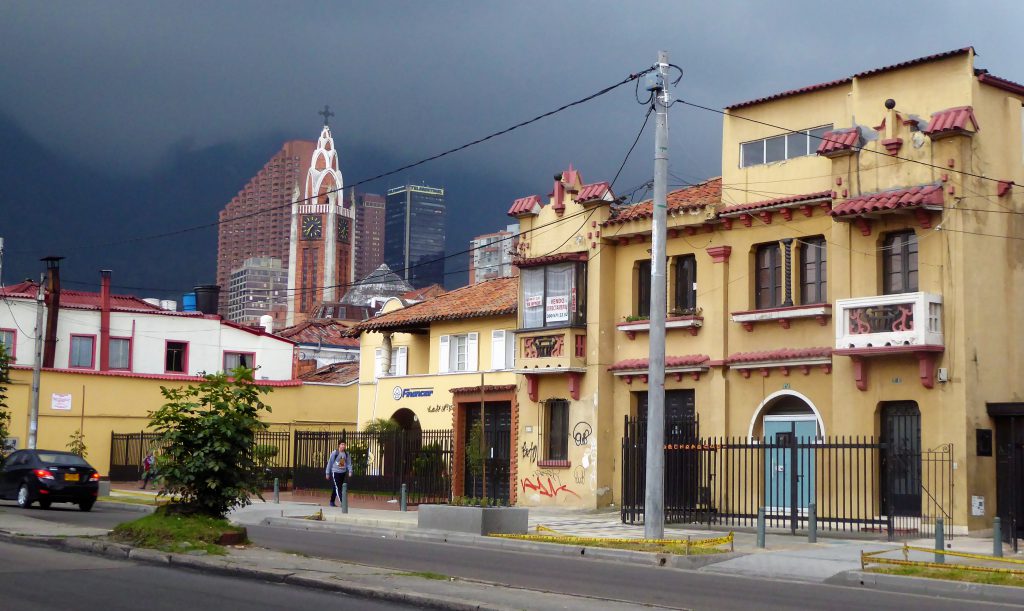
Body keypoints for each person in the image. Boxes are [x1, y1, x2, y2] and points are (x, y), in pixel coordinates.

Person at [325, 441, 353, 507]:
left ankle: (331, 502)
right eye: (342, 444)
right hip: (335, 472)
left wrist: (350, 471)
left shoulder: (346, 454)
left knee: (336, 487)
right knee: (338, 488)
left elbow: (349, 463)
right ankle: (343, 503)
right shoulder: (335, 453)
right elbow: (330, 463)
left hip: (342, 473)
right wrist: (327, 473)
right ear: (339, 445)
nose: (343, 446)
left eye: (344, 445)